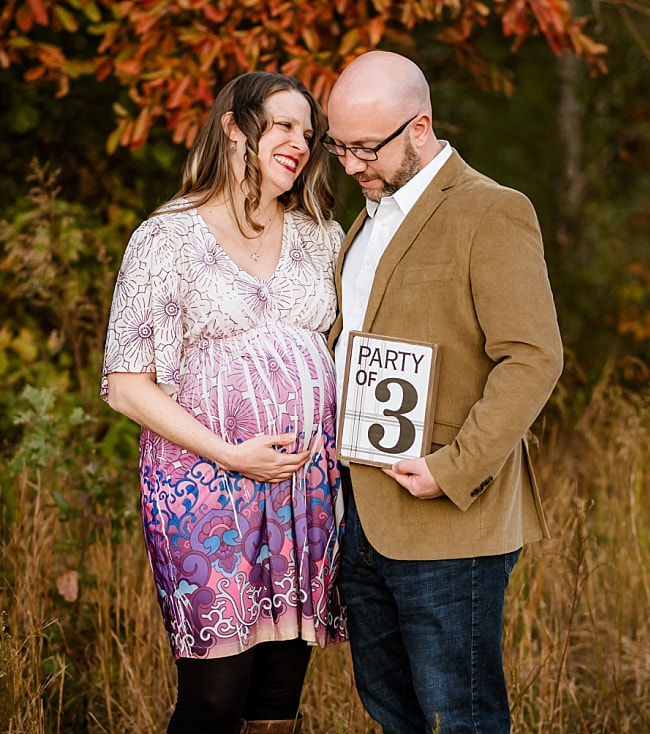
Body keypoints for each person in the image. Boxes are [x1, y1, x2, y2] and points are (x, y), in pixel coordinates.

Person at [324, 51, 563, 733]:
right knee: (391, 713)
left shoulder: (492, 211)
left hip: (448, 518)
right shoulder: (367, 219)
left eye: (366, 147)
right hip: (360, 511)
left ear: (420, 126)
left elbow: (533, 358)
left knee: (461, 717)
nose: (350, 165)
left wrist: (451, 469)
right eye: (339, 147)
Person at [101, 71, 347, 734]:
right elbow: (127, 386)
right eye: (285, 125)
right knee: (214, 696)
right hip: (203, 489)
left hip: (303, 495)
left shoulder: (320, 235)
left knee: (277, 699)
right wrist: (233, 454)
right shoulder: (167, 239)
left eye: (308, 132)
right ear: (235, 126)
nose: (301, 141)